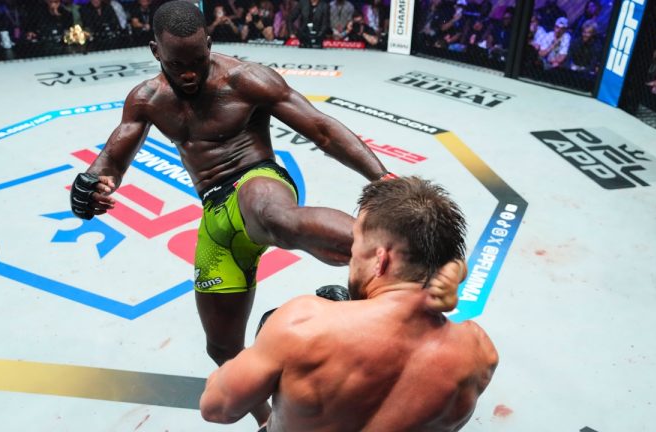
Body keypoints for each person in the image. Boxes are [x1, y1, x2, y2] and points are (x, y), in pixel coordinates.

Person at [68, 0, 392, 425]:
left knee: (277, 218)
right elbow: (111, 161)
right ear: (155, 52)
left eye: (198, 60)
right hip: (216, 216)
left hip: (256, 181)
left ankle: (393, 256)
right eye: (177, 63)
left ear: (209, 43)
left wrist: (381, 177)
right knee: (222, 349)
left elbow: (322, 130)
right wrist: (90, 187)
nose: (189, 72)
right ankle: (269, 423)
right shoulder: (147, 99)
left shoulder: (244, 79)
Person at [200, 177, 499, 431]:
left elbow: (217, 408)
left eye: (355, 246)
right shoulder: (480, 352)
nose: (352, 258)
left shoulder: (303, 324)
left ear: (380, 260)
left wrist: (269, 349)